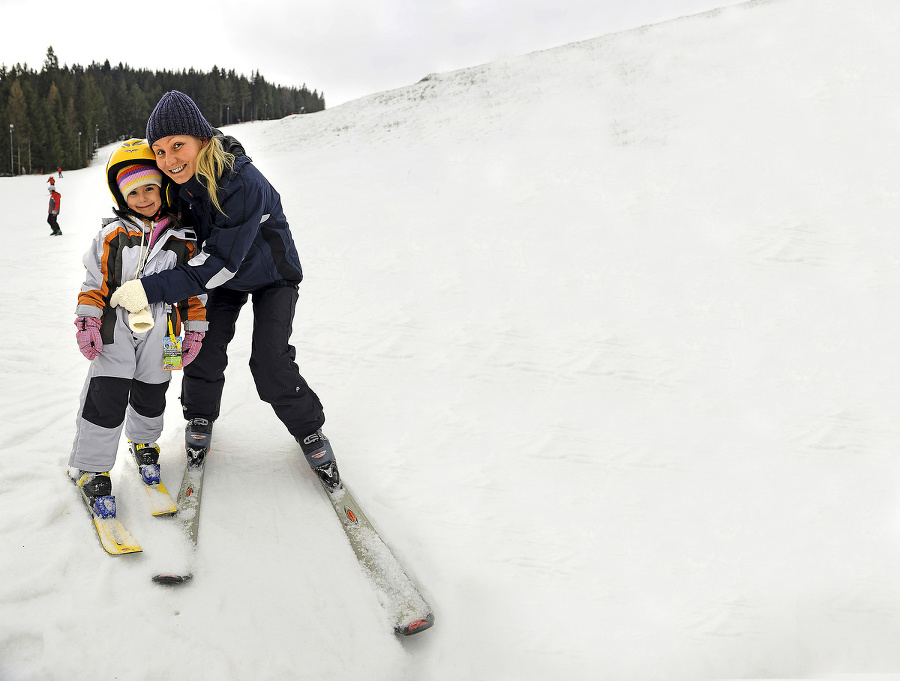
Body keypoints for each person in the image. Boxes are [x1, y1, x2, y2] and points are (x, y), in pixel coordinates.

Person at [110, 90, 341, 492]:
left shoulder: (242, 183)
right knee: (202, 348)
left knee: (270, 363)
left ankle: (310, 431)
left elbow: (217, 264)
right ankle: (200, 417)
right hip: (223, 280)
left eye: (177, 146)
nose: (169, 160)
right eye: (160, 151)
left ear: (202, 139)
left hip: (272, 278)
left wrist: (145, 289)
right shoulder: (177, 183)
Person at [67, 138, 208, 515]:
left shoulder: (183, 240)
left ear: (163, 188)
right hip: (117, 325)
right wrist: (87, 319)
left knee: (152, 391)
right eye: (133, 192)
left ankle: (144, 443)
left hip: (163, 329)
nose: (143, 198)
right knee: (107, 395)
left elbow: (194, 290)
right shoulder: (112, 235)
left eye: (150, 188)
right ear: (120, 195)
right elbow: (95, 283)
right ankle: (91, 466)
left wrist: (195, 327)